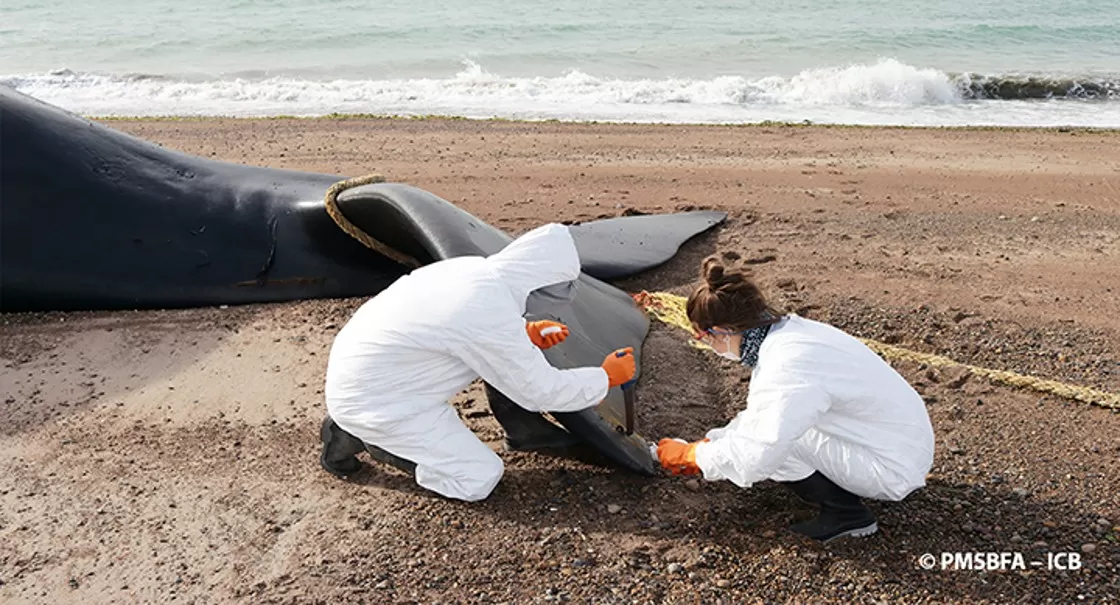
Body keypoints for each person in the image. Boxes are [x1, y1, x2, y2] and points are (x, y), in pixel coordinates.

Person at [319, 223, 637, 502]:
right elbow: (540, 391)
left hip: (366, 373)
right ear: (537, 286)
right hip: (377, 402)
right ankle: (366, 437)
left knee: (504, 364)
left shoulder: (473, 272)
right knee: (478, 478)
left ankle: (523, 431)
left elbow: (454, 328)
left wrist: (525, 333)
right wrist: (605, 376)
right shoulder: (487, 312)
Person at [656, 256, 935, 543]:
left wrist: (695, 456)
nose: (708, 344)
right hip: (895, 441)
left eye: (705, 336)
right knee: (775, 428)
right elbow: (760, 414)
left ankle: (847, 516)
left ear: (724, 331)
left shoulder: (787, 363)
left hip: (892, 466)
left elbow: (759, 450)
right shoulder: (788, 334)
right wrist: (713, 442)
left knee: (781, 445)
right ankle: (840, 487)